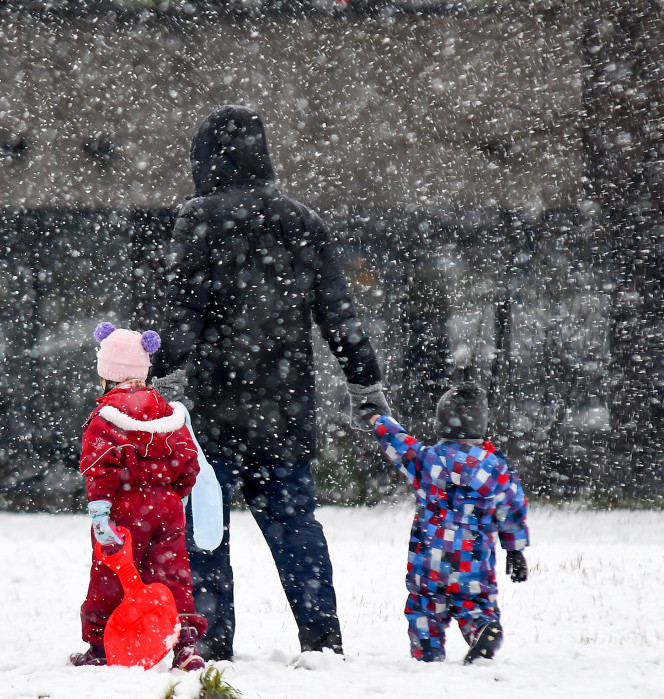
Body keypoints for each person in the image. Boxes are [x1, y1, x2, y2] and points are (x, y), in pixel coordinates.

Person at [148, 105, 391, 661]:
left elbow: (184, 317)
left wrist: (152, 369)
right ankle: (321, 637)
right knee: (294, 524)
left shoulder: (199, 219)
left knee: (205, 528)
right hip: (284, 408)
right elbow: (339, 315)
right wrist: (366, 385)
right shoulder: (304, 222)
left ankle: (211, 639)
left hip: (214, 409)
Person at [70, 322, 209, 671]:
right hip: (167, 508)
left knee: (112, 576)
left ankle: (102, 644)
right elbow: (188, 461)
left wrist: (100, 511)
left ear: (108, 374)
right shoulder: (167, 412)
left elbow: (100, 465)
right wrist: (174, 495)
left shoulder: (106, 417)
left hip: (124, 507)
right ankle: (184, 644)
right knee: (172, 574)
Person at [366, 380, 530, 663]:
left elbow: (398, 442)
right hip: (473, 560)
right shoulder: (496, 468)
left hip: (429, 559)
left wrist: (377, 419)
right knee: (475, 603)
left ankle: (426, 652)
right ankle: (481, 628)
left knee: (424, 607)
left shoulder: (428, 460)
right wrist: (515, 549)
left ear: (442, 420)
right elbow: (512, 508)